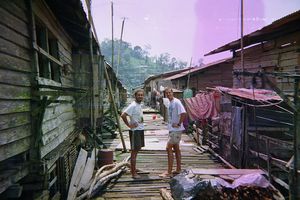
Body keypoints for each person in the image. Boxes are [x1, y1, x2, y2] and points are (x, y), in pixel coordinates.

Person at [159, 87, 186, 178]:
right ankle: (178, 169)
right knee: (176, 148)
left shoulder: (177, 102)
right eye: (167, 93)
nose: (168, 94)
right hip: (172, 129)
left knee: (168, 147)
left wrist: (178, 123)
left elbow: (183, 113)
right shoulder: (170, 102)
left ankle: (169, 171)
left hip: (176, 130)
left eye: (170, 93)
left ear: (172, 93)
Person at [121, 89, 145, 178]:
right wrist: (129, 125)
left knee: (137, 150)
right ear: (135, 96)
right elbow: (123, 115)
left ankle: (133, 169)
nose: (140, 96)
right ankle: (133, 173)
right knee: (134, 151)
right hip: (135, 131)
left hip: (140, 130)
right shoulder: (133, 105)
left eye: (142, 95)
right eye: (138, 95)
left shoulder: (139, 105)